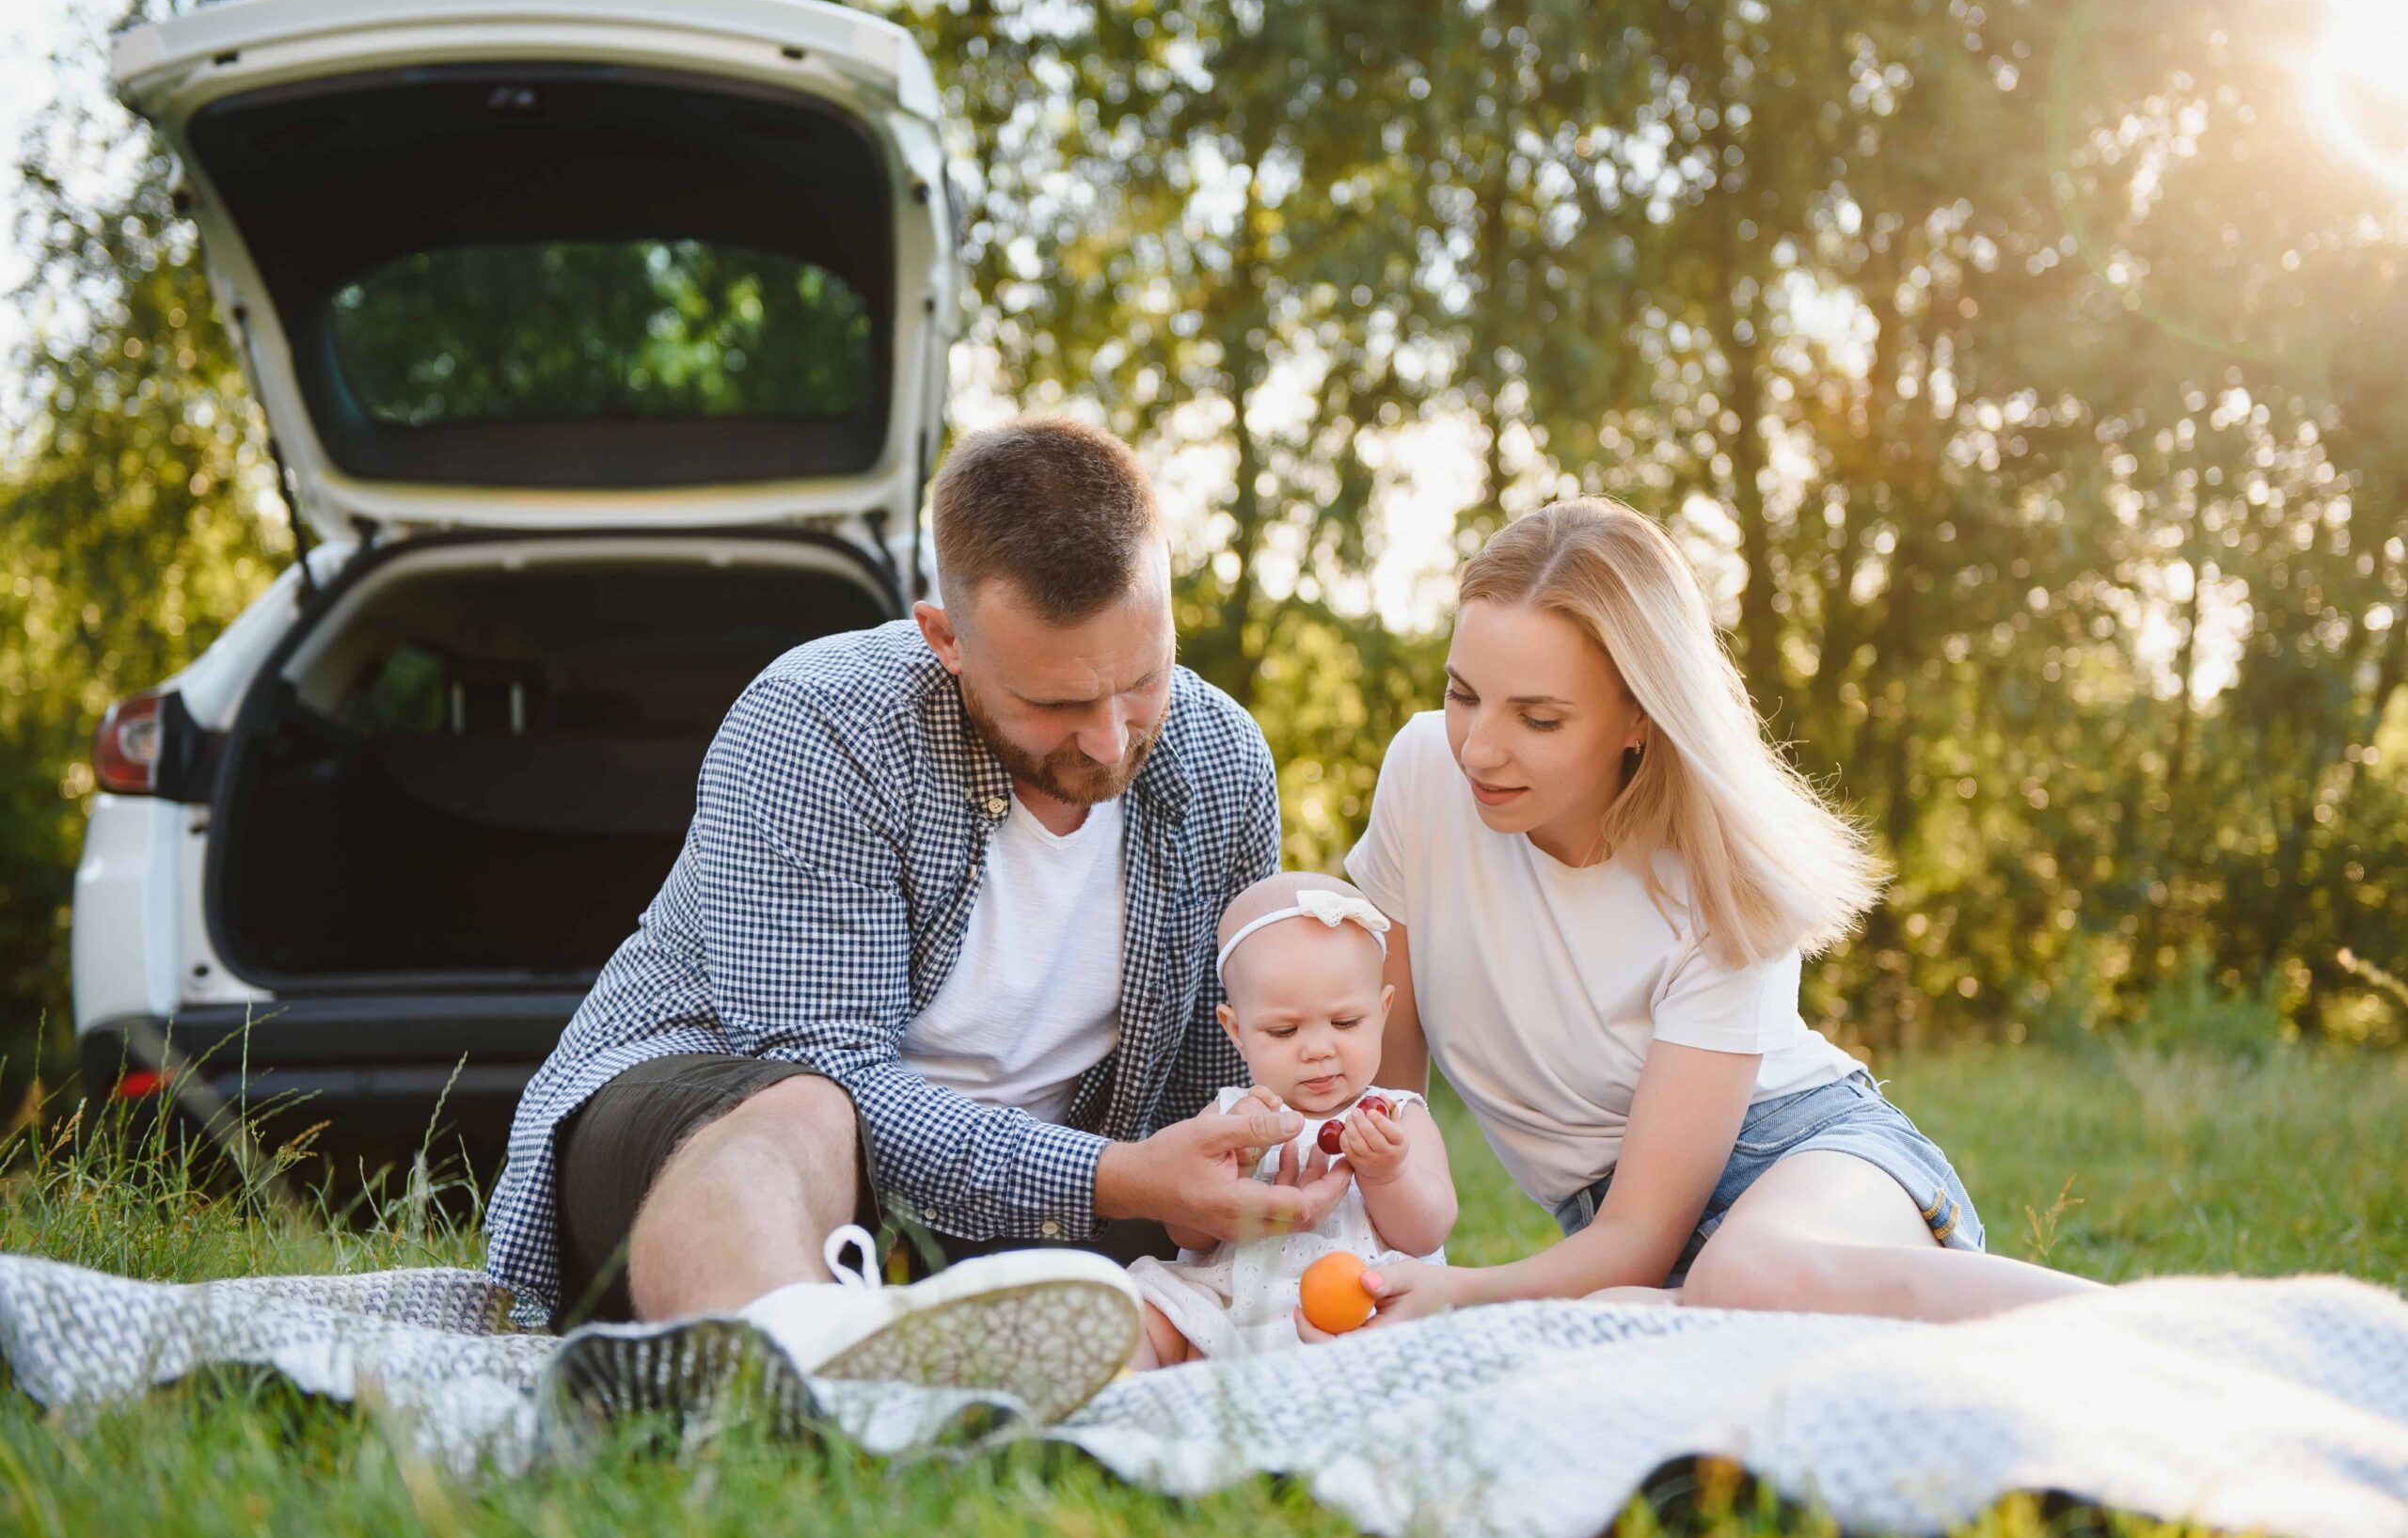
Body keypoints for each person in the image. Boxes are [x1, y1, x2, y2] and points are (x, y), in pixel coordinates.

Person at [483, 417, 1354, 1407]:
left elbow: (1210, 1082)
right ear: (944, 636)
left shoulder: (1221, 759)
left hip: (1048, 1196)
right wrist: (1119, 1177)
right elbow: (830, 1064)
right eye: (1056, 705)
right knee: (808, 1107)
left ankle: (916, 1351)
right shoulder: (817, 724)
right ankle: (791, 1383)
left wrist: (1240, 1167)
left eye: (1143, 679)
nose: (1111, 741)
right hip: (718, 1130)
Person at [1333, 497, 2105, 1329]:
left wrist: (1467, 1296)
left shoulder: (1723, 878)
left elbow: (1639, 1229)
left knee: (1745, 1280)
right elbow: (1385, 1104)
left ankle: (2176, 1331)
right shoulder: (1421, 772)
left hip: (1808, 1165)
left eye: (1539, 717)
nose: (1479, 747)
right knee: (1629, 1323)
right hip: (1644, 1253)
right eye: (1462, 694)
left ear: (1639, 715)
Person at [1126, 873, 1455, 1365]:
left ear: (1383, 1011)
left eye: (1345, 1023)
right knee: (1140, 1314)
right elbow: (1186, 1235)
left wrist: (1390, 1173)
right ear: (1236, 1031)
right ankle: (1121, 1402)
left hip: (1357, 1318)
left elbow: (1427, 1231)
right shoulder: (1230, 1116)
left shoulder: (1396, 1116)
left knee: (1415, 1352)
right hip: (1226, 1310)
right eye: (1283, 1031)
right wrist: (1231, 1172)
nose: (1318, 1050)